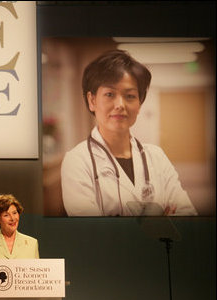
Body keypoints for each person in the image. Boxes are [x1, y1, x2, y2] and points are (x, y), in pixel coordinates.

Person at [61, 49, 198, 216]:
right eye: (110, 94)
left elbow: (188, 216)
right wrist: (159, 223)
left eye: (130, 96)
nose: (120, 104)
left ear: (140, 104)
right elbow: (91, 233)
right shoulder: (77, 161)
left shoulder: (157, 157)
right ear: (92, 101)